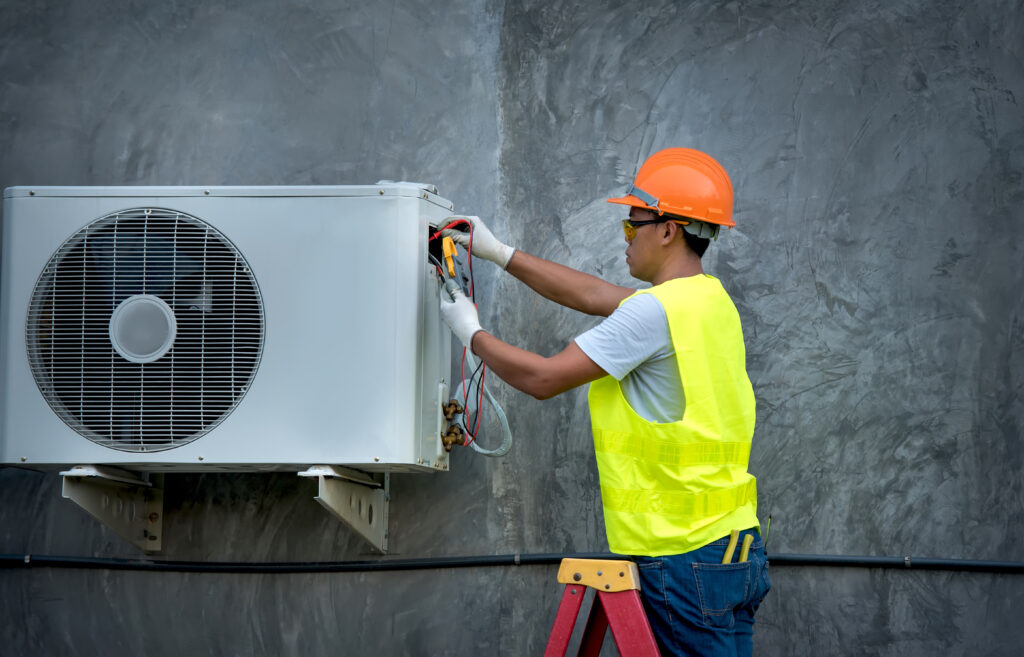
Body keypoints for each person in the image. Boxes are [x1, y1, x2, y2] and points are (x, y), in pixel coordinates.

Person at [439, 148, 770, 657]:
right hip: (733, 550)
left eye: (632, 225)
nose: (627, 238)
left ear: (669, 229)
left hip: (680, 556)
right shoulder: (706, 299)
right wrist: (498, 252)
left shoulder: (653, 315)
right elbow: (594, 293)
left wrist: (471, 333)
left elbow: (545, 378)